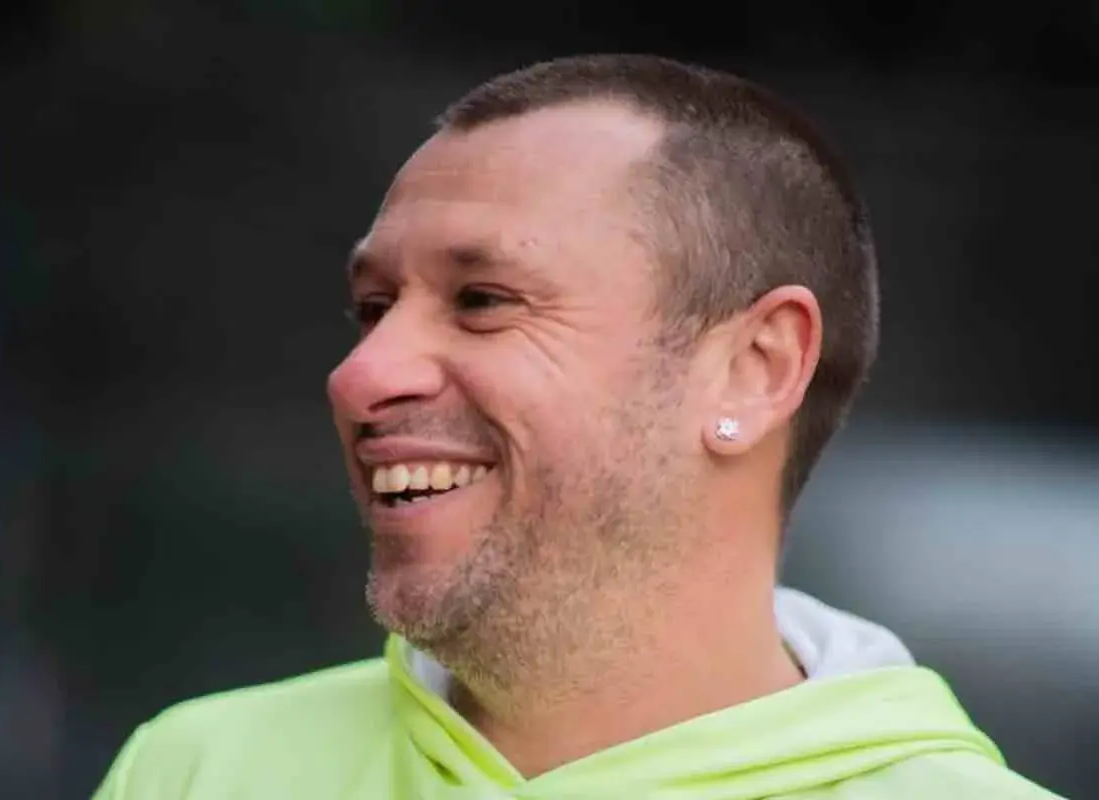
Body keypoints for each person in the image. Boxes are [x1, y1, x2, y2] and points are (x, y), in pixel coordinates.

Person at [93, 54, 1063, 799]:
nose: (360, 375)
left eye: (482, 299)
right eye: (373, 308)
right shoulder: (194, 769)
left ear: (754, 368)